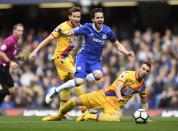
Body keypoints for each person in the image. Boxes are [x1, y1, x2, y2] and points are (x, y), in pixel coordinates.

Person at [45, 8, 134, 104]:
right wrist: (62, 33)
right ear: (93, 19)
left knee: (99, 75)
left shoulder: (107, 31)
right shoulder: (86, 27)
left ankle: (81, 78)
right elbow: (71, 32)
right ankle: (56, 90)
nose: (100, 19)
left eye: (102, 17)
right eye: (97, 18)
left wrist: (126, 52)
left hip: (95, 61)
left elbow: (117, 45)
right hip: (83, 58)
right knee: (78, 82)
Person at [42, 61, 151, 121]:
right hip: (103, 95)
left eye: (147, 71)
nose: (144, 71)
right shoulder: (127, 74)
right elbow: (118, 87)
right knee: (75, 101)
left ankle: (88, 116)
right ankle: (59, 115)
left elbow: (144, 102)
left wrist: (146, 114)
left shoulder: (142, 87)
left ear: (148, 73)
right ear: (139, 68)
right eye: (143, 69)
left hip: (114, 106)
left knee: (116, 118)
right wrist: (119, 96)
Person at [29, 7, 85, 118]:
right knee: (77, 77)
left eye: (79, 16)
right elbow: (48, 39)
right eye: (74, 16)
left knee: (67, 84)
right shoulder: (62, 26)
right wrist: (35, 51)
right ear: (69, 16)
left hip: (69, 58)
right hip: (61, 58)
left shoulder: (80, 27)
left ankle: (62, 112)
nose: (77, 19)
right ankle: (85, 108)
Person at [0, 23, 24, 106]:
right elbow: (1, 52)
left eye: (22, 31)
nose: (21, 32)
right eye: (19, 30)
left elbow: (10, 54)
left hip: (4, 68)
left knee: (5, 89)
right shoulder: (10, 40)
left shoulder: (15, 41)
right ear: (14, 31)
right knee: (12, 90)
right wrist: (10, 62)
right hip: (2, 67)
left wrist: (17, 57)